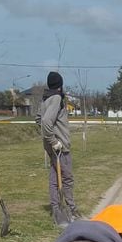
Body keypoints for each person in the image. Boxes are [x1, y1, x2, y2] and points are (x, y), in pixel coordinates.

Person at [38, 70, 82, 225]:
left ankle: (56, 209)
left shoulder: (45, 98)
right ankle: (69, 209)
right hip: (59, 146)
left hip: (52, 146)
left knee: (54, 177)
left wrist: (47, 138)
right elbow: (46, 122)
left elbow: (39, 119)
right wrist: (53, 140)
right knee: (67, 178)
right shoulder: (56, 98)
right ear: (60, 86)